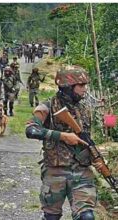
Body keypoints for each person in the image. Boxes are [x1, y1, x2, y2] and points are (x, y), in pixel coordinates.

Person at [25, 66, 97, 220]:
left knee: (87, 217)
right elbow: (31, 130)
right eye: (81, 85)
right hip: (55, 171)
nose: (85, 89)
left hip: (81, 171)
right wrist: (62, 136)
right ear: (68, 87)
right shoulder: (47, 106)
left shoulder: (84, 108)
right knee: (51, 216)